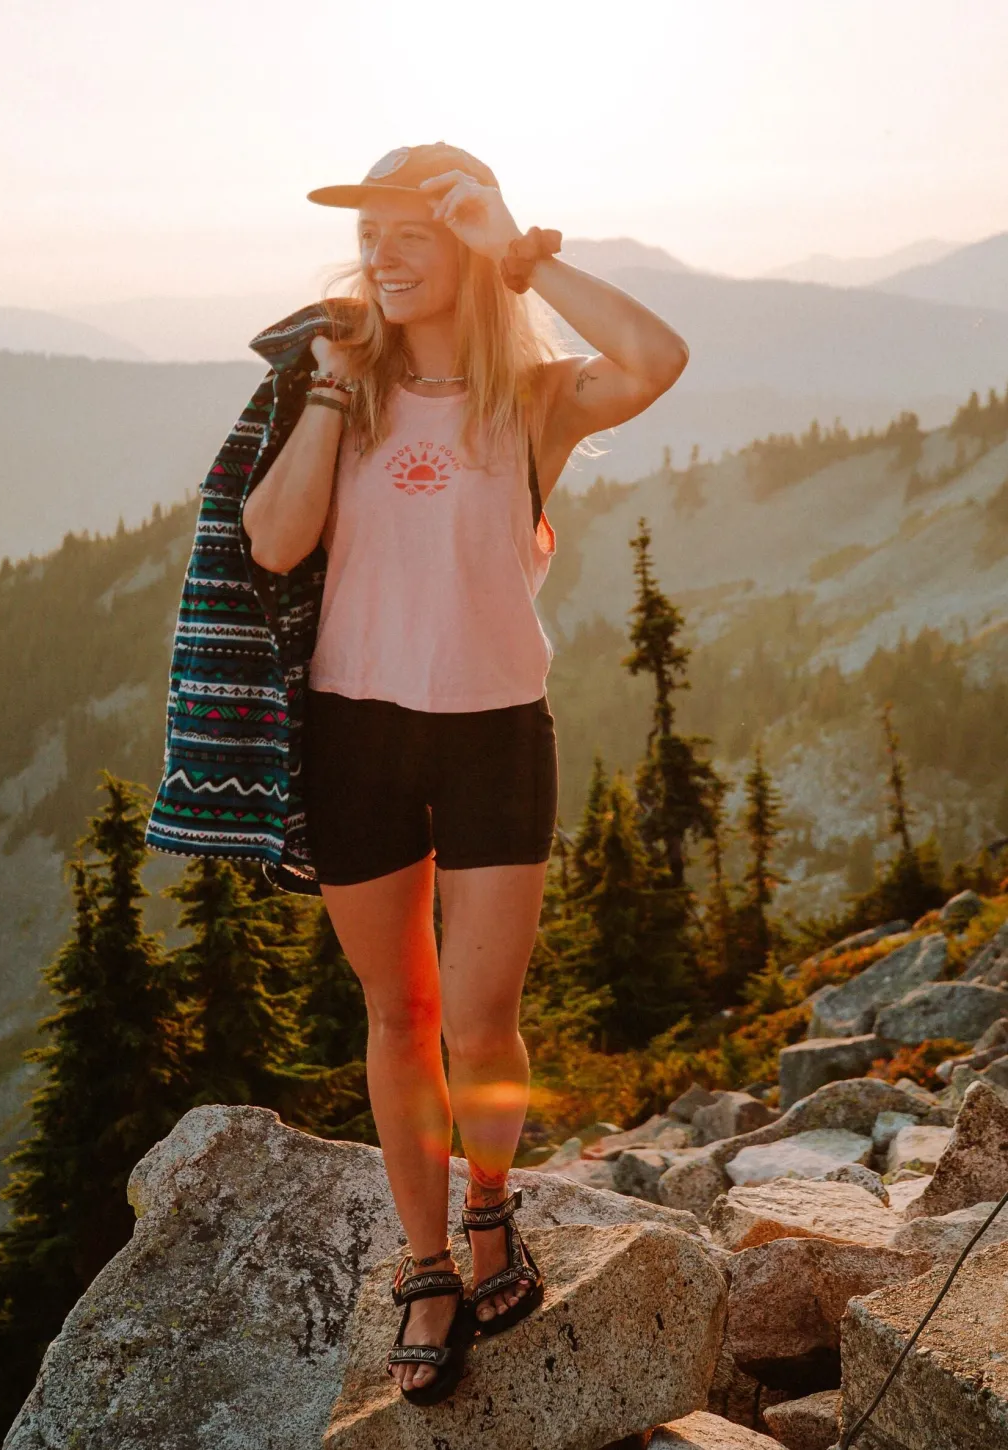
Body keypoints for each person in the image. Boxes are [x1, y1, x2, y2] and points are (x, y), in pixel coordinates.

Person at [242, 142, 689, 1405]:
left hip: (496, 728)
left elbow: (656, 360)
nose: (380, 256)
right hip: (355, 735)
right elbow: (274, 542)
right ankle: (428, 1260)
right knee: (401, 1016)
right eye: (370, 235)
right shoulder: (335, 384)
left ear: (463, 255)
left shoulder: (531, 395)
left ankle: (491, 1203)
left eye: (411, 237)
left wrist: (518, 250)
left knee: (483, 1019)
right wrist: (328, 395)